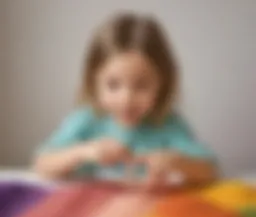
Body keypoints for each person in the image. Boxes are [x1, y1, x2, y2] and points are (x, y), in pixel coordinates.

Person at [34, 13, 218, 189]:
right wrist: (85, 152)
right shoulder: (87, 120)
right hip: (92, 210)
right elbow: (42, 165)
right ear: (93, 81)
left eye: (141, 85)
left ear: (162, 83)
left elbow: (210, 171)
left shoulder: (167, 124)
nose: (126, 99)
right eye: (113, 85)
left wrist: (177, 162)